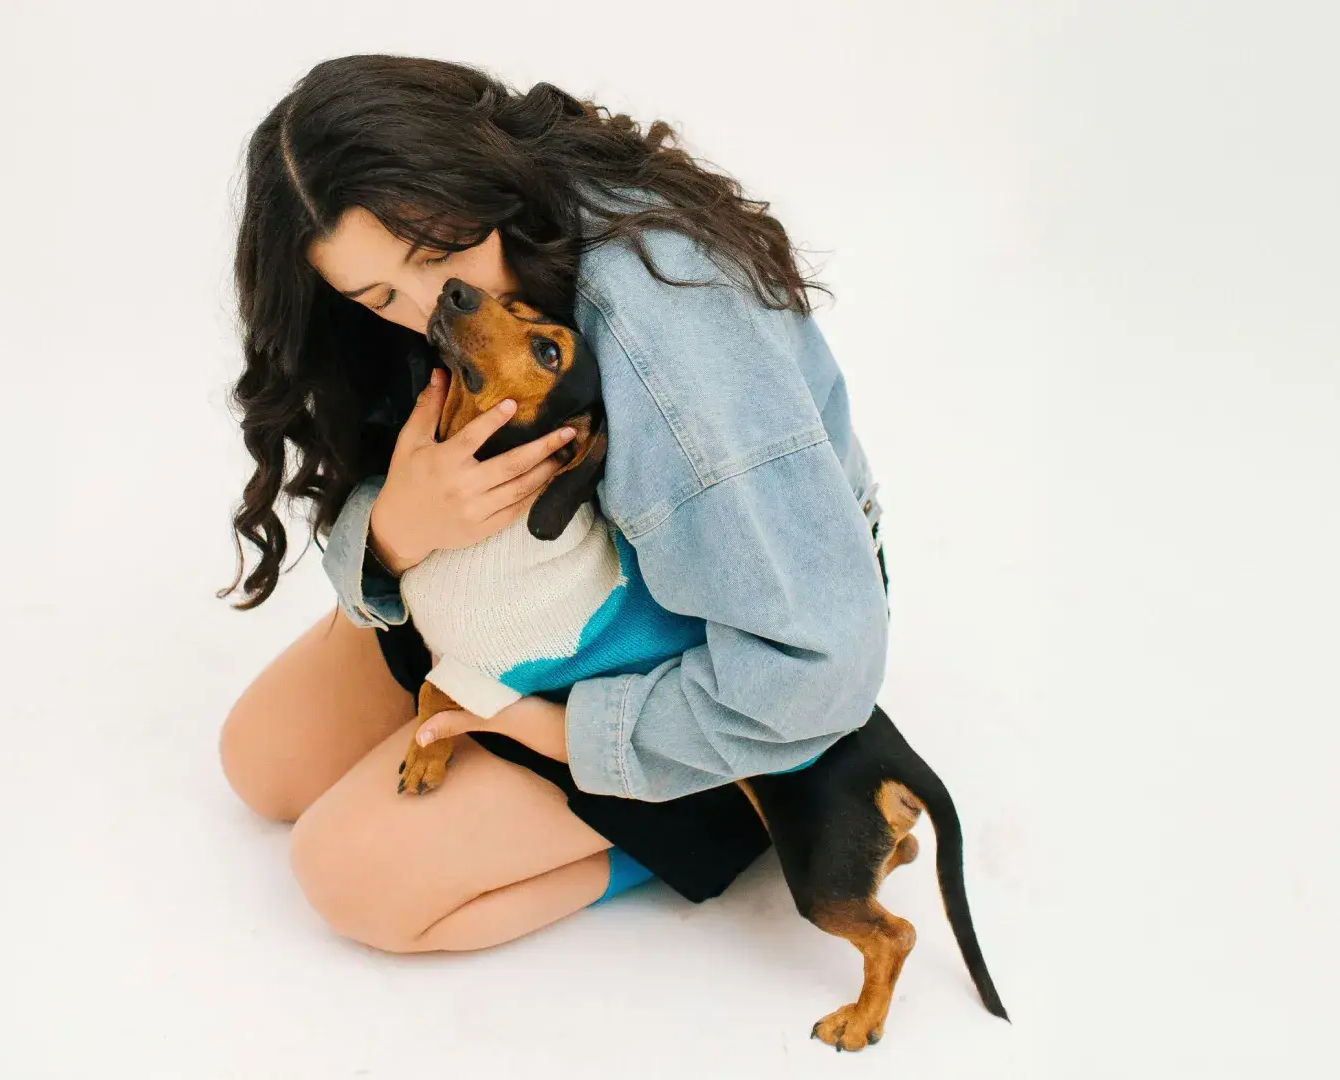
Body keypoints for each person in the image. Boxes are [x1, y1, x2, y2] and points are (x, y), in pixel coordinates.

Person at [218, 54, 890, 954]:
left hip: (700, 643)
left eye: (438, 256)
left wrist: (565, 733)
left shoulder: (668, 331)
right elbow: (393, 473)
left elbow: (818, 663)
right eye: (377, 296)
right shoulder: (452, 273)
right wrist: (395, 532)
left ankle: (711, 817)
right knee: (262, 766)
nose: (429, 310)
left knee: (348, 878)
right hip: (506, 575)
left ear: (481, 182)